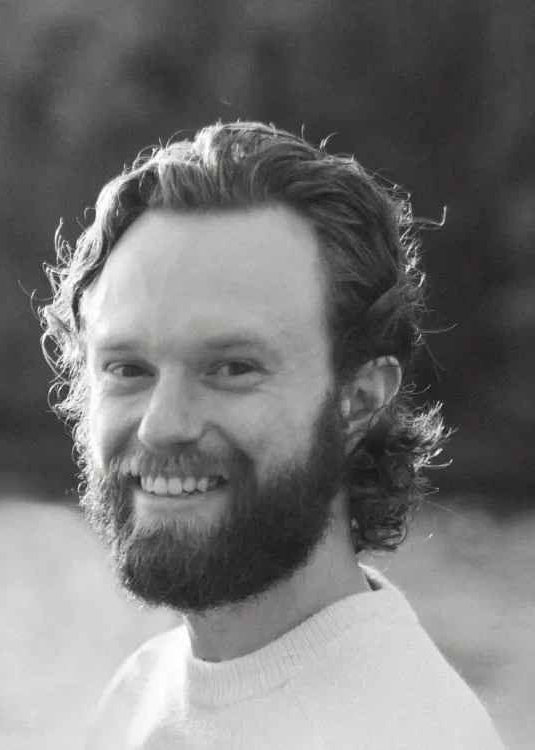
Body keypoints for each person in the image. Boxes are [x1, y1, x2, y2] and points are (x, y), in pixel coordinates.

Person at [40, 121, 505, 749]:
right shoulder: (142, 691)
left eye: (232, 368)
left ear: (360, 400)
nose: (162, 423)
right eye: (127, 369)